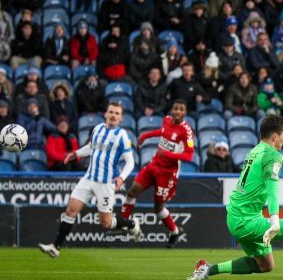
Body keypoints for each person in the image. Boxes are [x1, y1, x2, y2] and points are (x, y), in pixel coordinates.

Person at [187, 115, 283, 280]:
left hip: (236, 216)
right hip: (246, 221)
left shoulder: (255, 151)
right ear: (275, 136)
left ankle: (207, 269)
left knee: (266, 265)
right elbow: (273, 189)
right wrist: (275, 218)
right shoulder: (272, 155)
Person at [38, 102, 141, 258]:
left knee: (106, 223)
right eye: (111, 112)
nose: (113, 115)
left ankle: (132, 224)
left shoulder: (122, 136)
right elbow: (91, 147)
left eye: (117, 113)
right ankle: (56, 247)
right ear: (106, 114)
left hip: (105, 183)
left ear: (121, 118)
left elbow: (130, 162)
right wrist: (76, 153)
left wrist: (121, 177)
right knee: (71, 210)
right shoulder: (98, 128)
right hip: (88, 178)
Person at [121, 100, 194, 248]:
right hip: (154, 165)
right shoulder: (166, 120)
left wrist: (167, 154)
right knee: (132, 191)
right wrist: (145, 136)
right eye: (176, 108)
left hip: (168, 174)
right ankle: (124, 223)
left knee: (158, 209)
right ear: (172, 110)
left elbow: (188, 156)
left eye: (181, 109)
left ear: (185, 113)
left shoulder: (186, 132)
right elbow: (162, 132)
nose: (178, 112)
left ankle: (174, 231)